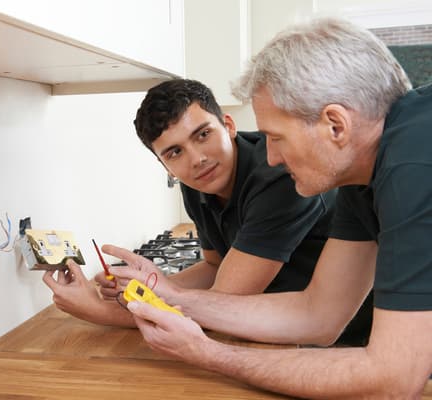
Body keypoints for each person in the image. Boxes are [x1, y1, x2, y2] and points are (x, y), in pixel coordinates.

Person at [104, 17, 432, 398]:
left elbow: (392, 380)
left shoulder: (413, 166)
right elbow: (319, 315)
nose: (271, 157)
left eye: (276, 137)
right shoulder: (363, 176)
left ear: (335, 125)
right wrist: (173, 296)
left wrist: (209, 353)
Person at [42, 78, 371, 346]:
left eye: (203, 135)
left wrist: (99, 311)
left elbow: (219, 304)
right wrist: (147, 287)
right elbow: (215, 266)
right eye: (174, 152)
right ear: (165, 165)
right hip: (281, 331)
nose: (196, 158)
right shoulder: (198, 182)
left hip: (349, 339)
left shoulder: (278, 177)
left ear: (227, 124)